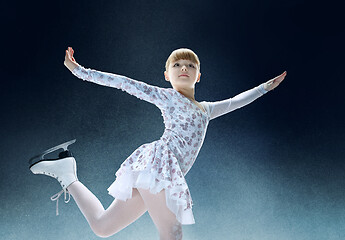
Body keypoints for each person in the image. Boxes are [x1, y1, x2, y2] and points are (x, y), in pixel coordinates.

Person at [30, 46, 286, 239]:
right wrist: (80, 72)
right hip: (159, 165)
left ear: (198, 76)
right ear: (166, 75)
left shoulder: (206, 109)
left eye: (189, 65)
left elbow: (236, 101)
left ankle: (67, 173)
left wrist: (265, 88)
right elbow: (125, 84)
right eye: (177, 66)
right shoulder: (166, 97)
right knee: (172, 233)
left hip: (161, 174)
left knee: (102, 226)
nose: (183, 68)